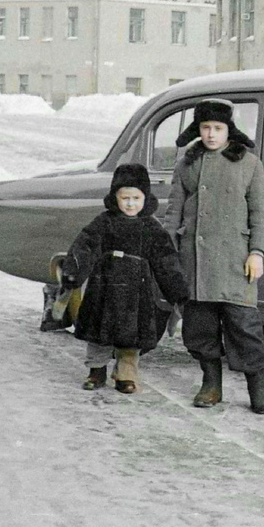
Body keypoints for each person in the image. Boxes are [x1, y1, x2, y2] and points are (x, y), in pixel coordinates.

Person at [164, 99, 264, 414]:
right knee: (200, 328)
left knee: (244, 327)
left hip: (236, 261)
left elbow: (260, 215)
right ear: (197, 130)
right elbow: (174, 212)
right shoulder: (187, 163)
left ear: (229, 130)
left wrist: (257, 252)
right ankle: (211, 384)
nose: (211, 135)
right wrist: (169, 255)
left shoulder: (249, 163)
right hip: (195, 261)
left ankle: (259, 388)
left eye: (218, 128)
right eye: (205, 128)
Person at [60, 163, 189, 393]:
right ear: (115, 197)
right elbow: (85, 246)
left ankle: (126, 374)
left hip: (136, 293)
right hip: (104, 288)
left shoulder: (151, 228)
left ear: (145, 198)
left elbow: (166, 260)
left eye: (136, 198)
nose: (130, 204)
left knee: (132, 338)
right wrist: (74, 272)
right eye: (125, 197)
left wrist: (177, 291)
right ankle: (96, 370)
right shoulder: (104, 222)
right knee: (99, 333)